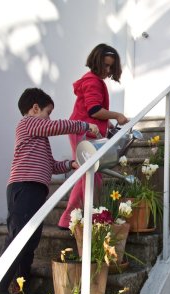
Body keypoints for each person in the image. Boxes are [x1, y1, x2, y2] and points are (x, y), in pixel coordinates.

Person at [0, 87, 99, 294]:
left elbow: (50, 165)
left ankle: (20, 287)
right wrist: (84, 125)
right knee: (17, 239)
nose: (49, 118)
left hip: (35, 190)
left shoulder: (38, 136)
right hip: (23, 188)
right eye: (47, 112)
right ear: (34, 109)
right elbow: (55, 126)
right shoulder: (27, 123)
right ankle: (0, 289)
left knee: (30, 242)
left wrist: (69, 165)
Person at [58, 43, 129, 229]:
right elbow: (94, 110)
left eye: (110, 67)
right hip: (82, 132)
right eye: (105, 65)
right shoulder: (92, 81)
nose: (107, 70)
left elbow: (94, 112)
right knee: (88, 174)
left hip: (85, 131)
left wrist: (110, 125)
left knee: (88, 173)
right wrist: (117, 116)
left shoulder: (94, 80)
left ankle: (74, 217)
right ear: (96, 62)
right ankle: (77, 217)